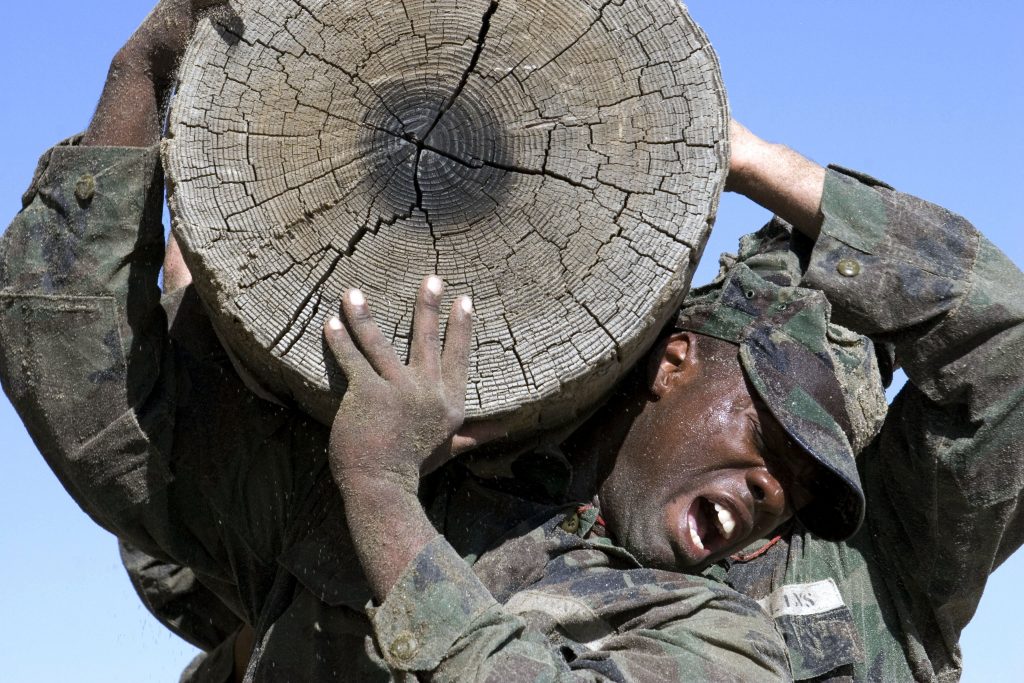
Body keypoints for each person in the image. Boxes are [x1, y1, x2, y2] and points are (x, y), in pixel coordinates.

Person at [3, 2, 1022, 683]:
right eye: (773, 430)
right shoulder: (429, 494)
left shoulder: (859, 573)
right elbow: (90, 390)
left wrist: (382, 495)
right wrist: (148, 60)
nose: (774, 490)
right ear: (671, 359)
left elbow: (1002, 342)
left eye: (805, 483)